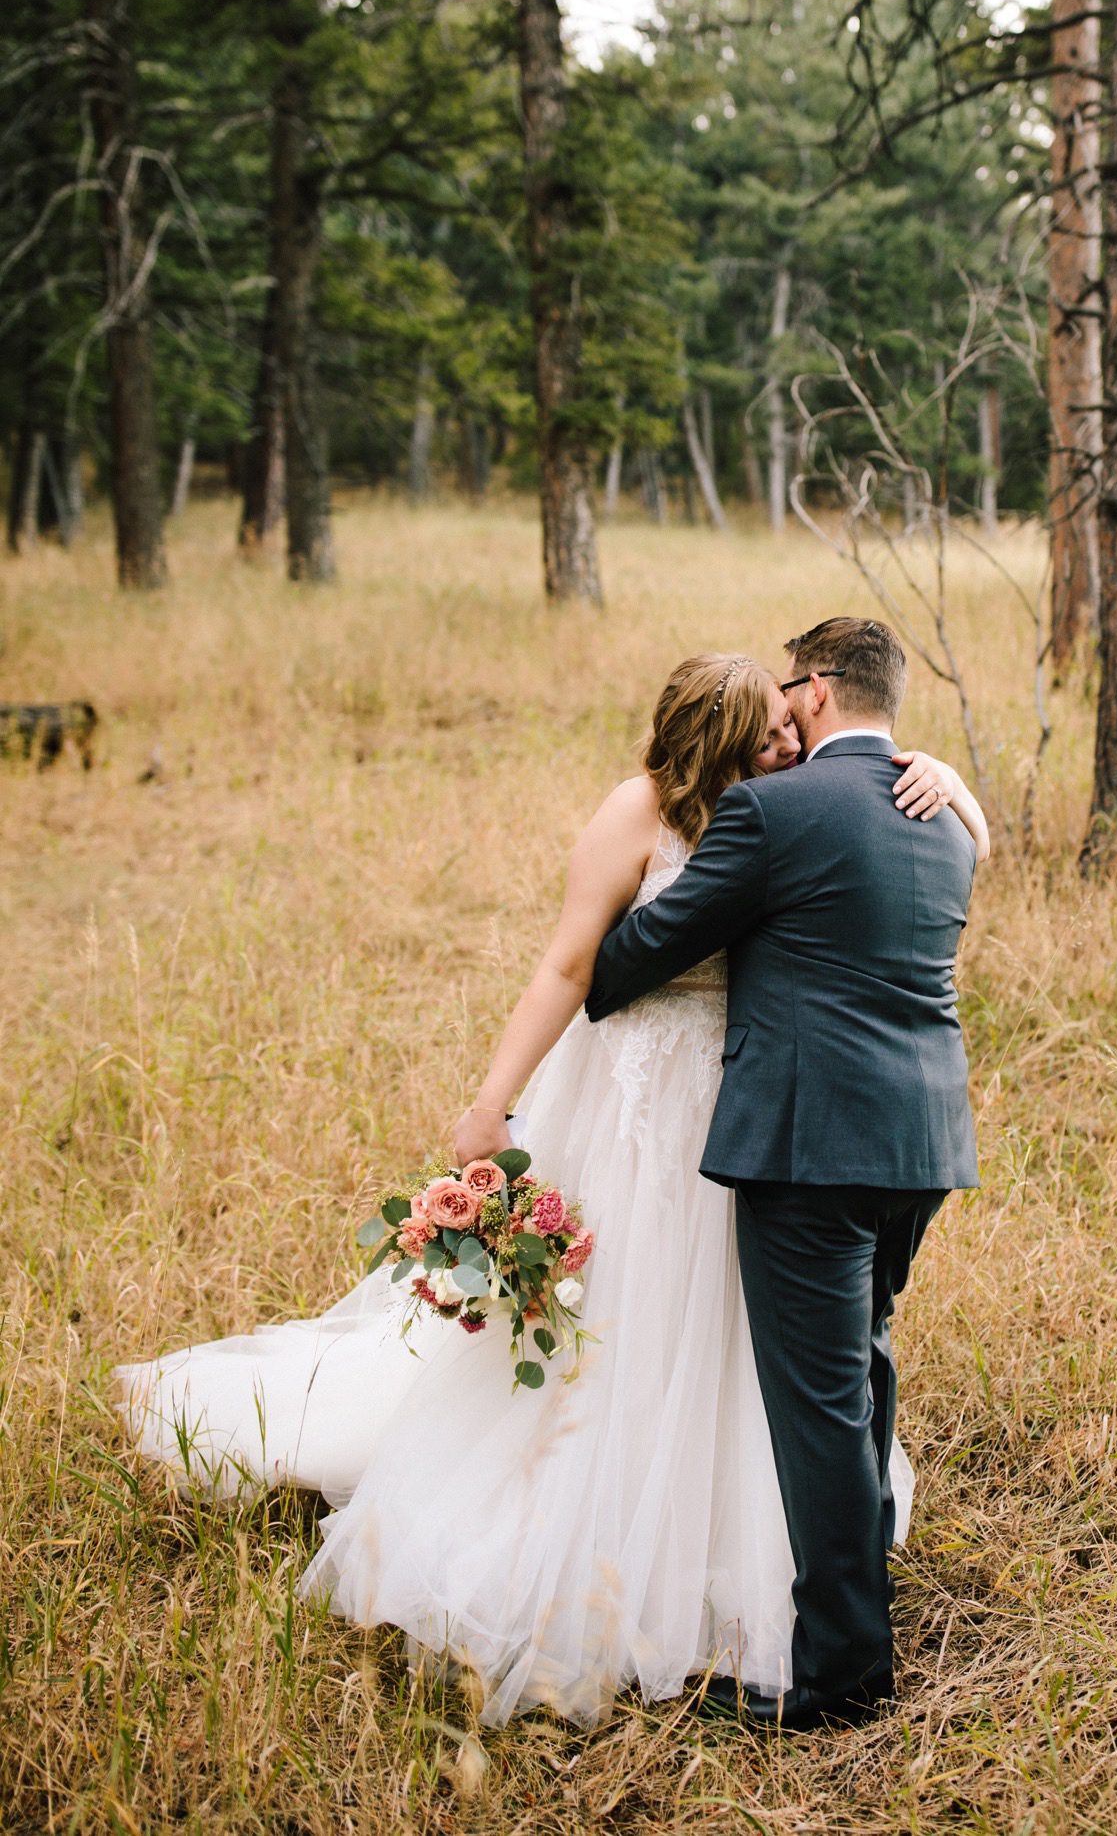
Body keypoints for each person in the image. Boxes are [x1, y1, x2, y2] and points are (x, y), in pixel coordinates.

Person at [117, 644, 987, 1728]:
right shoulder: (649, 812)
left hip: (757, 1108)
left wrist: (948, 781)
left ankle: (759, 1565)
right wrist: (493, 1103)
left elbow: (867, 828)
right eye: (766, 727)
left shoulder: (792, 803)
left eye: (791, 719)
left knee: (743, 1337)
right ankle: (609, 1537)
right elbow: (576, 967)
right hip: (648, 1094)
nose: (787, 737)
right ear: (723, 735)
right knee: (631, 1317)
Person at [585, 616, 980, 1731]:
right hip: (924, 1143)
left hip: (810, 1144)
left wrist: (609, 942)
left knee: (815, 1405)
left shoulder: (770, 809)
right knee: (861, 1368)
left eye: (788, 691)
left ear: (813, 690)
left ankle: (846, 1675)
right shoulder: (944, 814)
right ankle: (863, 1596)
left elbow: (637, 958)